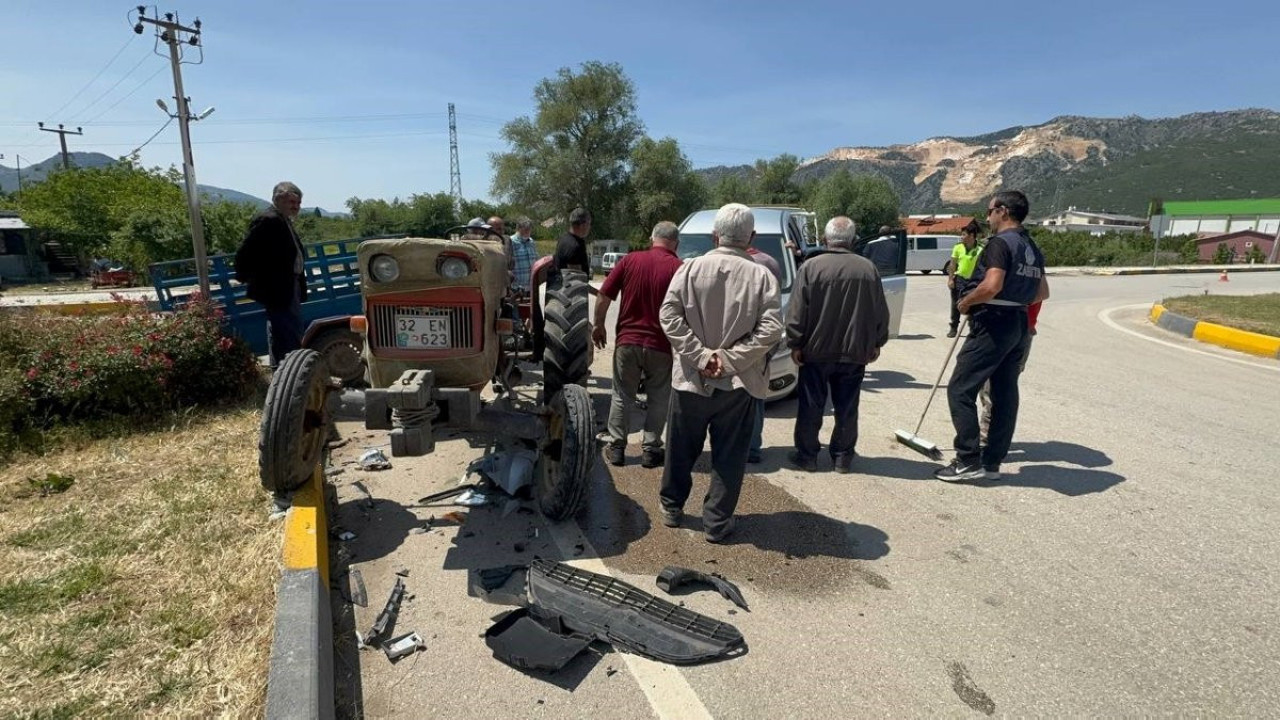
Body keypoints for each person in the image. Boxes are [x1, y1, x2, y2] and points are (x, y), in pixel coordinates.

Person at [659, 203, 783, 543]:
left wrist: (702, 357)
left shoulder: (690, 269)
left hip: (690, 380)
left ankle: (672, 508)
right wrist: (727, 361)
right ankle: (716, 522)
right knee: (729, 456)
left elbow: (668, 316)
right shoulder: (762, 277)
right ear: (751, 237)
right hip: (739, 385)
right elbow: (771, 329)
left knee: (680, 448)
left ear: (715, 236)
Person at [936, 190, 1049, 482]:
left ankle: (967, 460)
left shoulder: (1000, 243)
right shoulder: (1031, 246)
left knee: (960, 389)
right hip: (1019, 322)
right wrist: (1016, 299)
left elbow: (992, 285)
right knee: (1004, 393)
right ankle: (992, 462)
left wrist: (966, 302)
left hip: (994, 322)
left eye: (989, 212)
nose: (987, 218)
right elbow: (1042, 292)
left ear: (1003, 211)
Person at [785, 216, 889, 473]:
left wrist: (795, 343)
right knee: (847, 407)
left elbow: (797, 312)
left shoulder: (810, 267)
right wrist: (877, 342)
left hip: (815, 351)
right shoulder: (868, 269)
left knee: (811, 405)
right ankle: (842, 458)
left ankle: (807, 456)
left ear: (825, 239)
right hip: (854, 352)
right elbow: (880, 311)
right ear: (853, 240)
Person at [592, 221, 684, 469]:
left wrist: (598, 325)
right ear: (676, 243)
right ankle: (651, 450)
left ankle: (617, 449)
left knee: (622, 395)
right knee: (659, 398)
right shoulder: (679, 268)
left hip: (628, 342)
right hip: (661, 346)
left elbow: (603, 295)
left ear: (652, 238)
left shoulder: (630, 260)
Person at [234, 181, 307, 367]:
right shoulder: (269, 220)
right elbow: (246, 251)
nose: (296, 207)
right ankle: (289, 373)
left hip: (287, 285)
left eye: (298, 203)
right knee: (288, 333)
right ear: (278, 199)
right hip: (278, 288)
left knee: (282, 331)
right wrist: (248, 277)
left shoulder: (282, 220)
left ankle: (281, 371)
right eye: (292, 202)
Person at [980, 299, 1041, 442]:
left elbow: (1039, 294)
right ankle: (992, 439)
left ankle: (986, 440)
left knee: (995, 388)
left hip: (1004, 327)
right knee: (998, 388)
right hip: (1019, 327)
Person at [745, 243, 782, 464]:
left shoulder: (707, 262)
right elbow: (776, 303)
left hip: (726, 342)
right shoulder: (769, 263)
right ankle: (752, 449)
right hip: (760, 342)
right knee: (755, 395)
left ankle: (726, 447)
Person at [947, 220, 984, 338]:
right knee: (955, 304)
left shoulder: (981, 249)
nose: (961, 237)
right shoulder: (958, 247)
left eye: (964, 234)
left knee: (974, 305)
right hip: (959, 279)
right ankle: (953, 327)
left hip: (974, 281)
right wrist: (950, 279)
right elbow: (952, 264)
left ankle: (973, 328)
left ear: (972, 235)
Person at [552, 207, 592, 280]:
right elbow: (576, 280)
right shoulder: (574, 247)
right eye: (589, 223)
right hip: (571, 286)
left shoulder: (564, 239)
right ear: (582, 225)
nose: (589, 227)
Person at [510, 217, 539, 292]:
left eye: (529, 229)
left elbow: (536, 259)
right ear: (518, 228)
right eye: (526, 229)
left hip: (531, 287)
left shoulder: (531, 242)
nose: (528, 231)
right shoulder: (511, 242)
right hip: (516, 288)